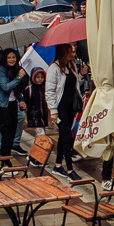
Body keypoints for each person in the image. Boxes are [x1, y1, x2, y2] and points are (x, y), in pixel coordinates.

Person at [47, 44, 82, 177]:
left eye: (73, 51)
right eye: (70, 52)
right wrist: (53, 111)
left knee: (63, 136)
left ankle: (57, 165)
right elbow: (49, 91)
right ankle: (69, 169)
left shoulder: (70, 66)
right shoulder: (54, 68)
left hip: (70, 107)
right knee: (67, 138)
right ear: (63, 53)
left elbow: (74, 85)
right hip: (60, 108)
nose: (73, 54)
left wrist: (81, 75)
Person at [0, 48, 27, 158]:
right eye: (9, 57)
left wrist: (21, 101)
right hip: (1, 106)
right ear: (5, 58)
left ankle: (5, 157)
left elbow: (18, 90)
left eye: (13, 57)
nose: (11, 60)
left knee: (12, 133)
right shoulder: (0, 71)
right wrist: (19, 77)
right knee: (7, 134)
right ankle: (5, 160)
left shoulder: (16, 69)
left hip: (12, 105)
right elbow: (6, 87)